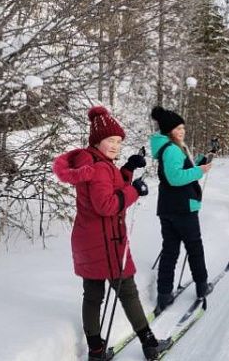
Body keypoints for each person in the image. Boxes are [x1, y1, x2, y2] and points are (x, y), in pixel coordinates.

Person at [52, 106, 171, 361]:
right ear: (97, 140)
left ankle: (95, 350)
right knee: (127, 292)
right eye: (111, 140)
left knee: (93, 295)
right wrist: (135, 191)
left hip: (88, 241)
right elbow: (106, 204)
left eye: (118, 141)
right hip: (106, 243)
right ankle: (149, 344)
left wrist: (127, 169)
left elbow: (110, 186)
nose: (116, 145)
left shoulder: (95, 162)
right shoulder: (99, 167)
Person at [149, 106, 213, 311]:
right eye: (178, 128)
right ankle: (202, 286)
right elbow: (175, 178)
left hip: (169, 207)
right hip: (182, 208)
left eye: (183, 127)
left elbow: (180, 171)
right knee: (194, 247)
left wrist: (201, 163)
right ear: (169, 131)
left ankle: (164, 295)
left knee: (170, 250)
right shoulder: (172, 150)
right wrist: (198, 171)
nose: (182, 131)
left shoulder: (169, 148)